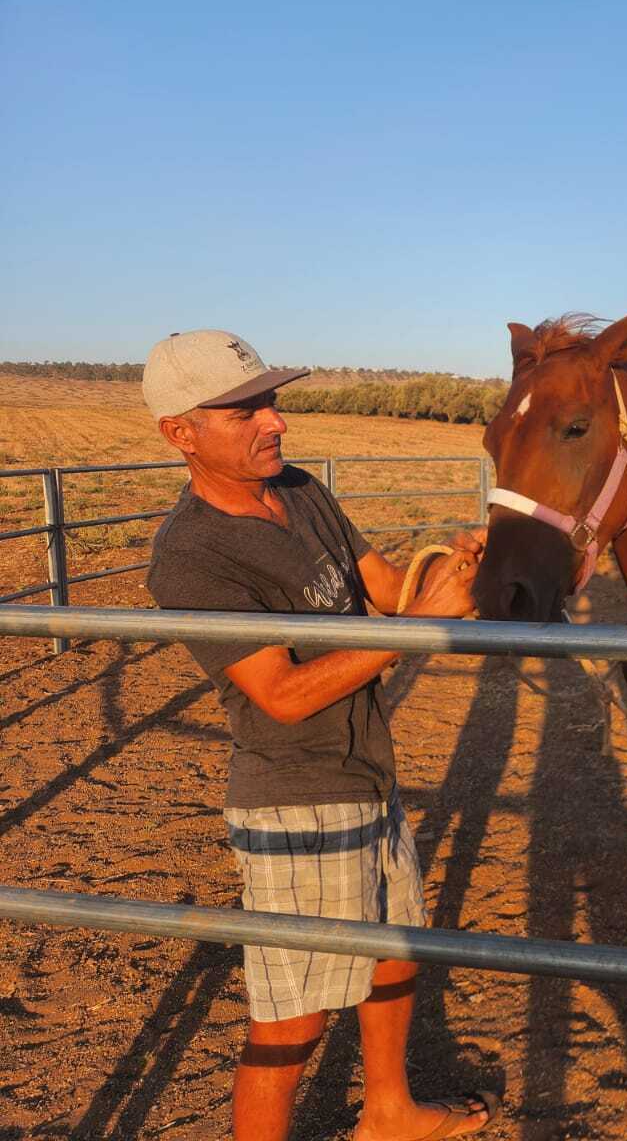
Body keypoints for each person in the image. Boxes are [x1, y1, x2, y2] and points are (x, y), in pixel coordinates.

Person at [141, 329, 498, 1141]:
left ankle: (389, 1111)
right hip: (295, 797)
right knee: (293, 1018)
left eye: (271, 401)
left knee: (396, 952)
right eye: (244, 410)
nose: (275, 423)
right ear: (179, 433)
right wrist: (423, 626)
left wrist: (451, 574)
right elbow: (284, 695)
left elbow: (389, 593)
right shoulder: (190, 556)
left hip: (368, 768)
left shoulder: (301, 491)